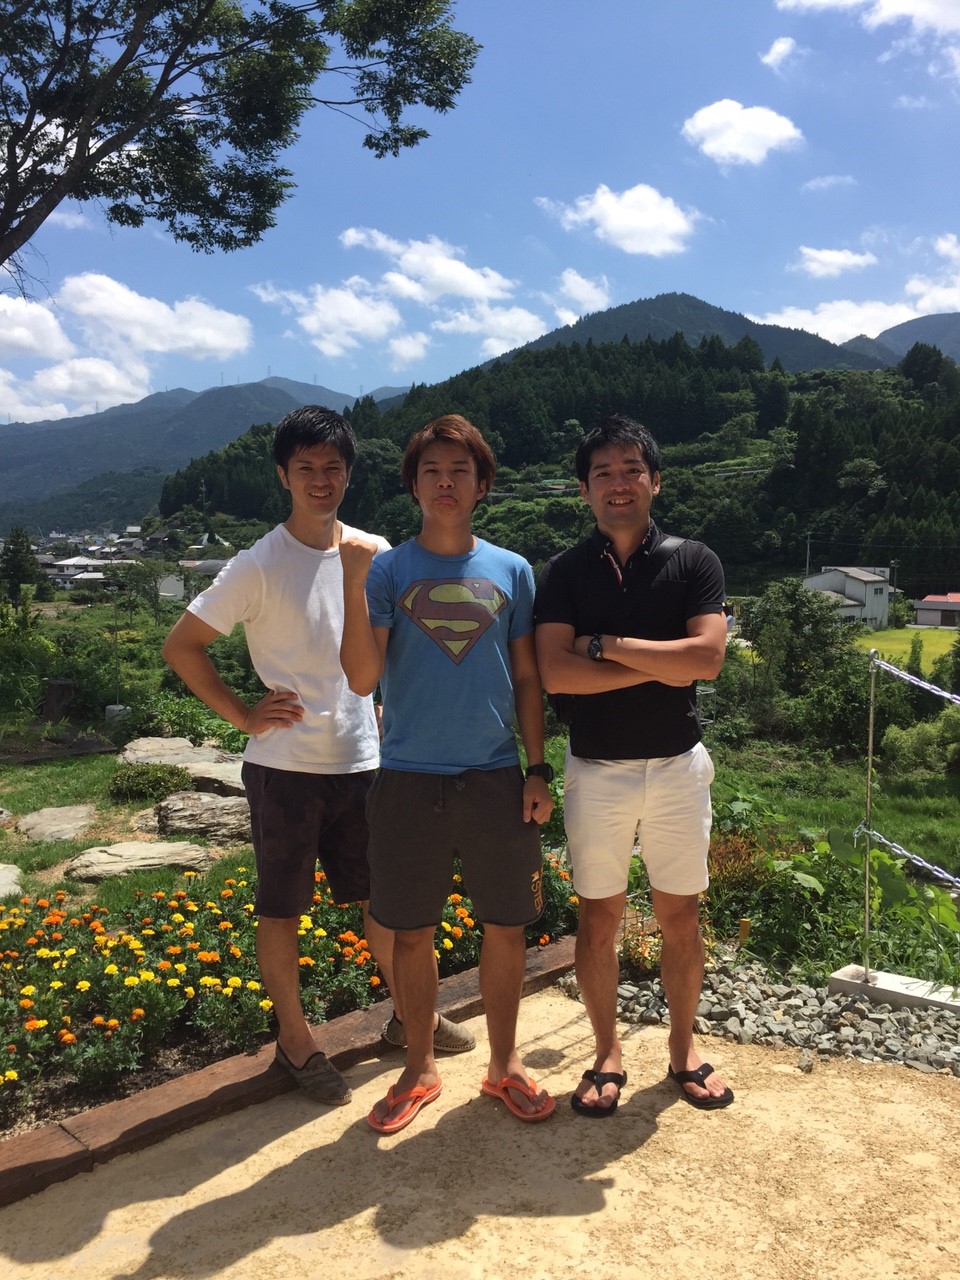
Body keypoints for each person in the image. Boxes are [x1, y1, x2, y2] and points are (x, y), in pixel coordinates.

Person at [162, 405, 474, 1108]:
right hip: (285, 769)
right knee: (282, 911)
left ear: (349, 473)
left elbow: (395, 649)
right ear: (283, 475)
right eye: (305, 467)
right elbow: (182, 646)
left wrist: (389, 709)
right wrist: (244, 715)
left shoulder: (373, 551)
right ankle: (297, 1042)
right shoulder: (258, 563)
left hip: (364, 760)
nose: (320, 479)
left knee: (385, 904)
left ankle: (410, 1017)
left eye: (332, 467)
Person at [339, 413, 556, 1134]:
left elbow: (528, 678)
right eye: (430, 470)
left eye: (460, 470)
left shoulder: (513, 570)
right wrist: (354, 582)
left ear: (482, 484)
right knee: (409, 932)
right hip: (406, 775)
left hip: (496, 774)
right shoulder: (389, 570)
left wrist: (537, 768)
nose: (445, 482)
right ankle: (419, 1067)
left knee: (506, 927)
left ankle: (504, 1064)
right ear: (413, 485)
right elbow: (362, 676)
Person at [534, 413, 733, 1114]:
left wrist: (605, 645)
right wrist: (662, 663)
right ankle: (606, 1053)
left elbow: (707, 658)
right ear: (584, 488)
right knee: (598, 919)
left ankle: (682, 1050)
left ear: (655, 480)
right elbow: (555, 674)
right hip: (596, 770)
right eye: (603, 473)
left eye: (631, 470)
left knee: (681, 916)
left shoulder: (694, 561)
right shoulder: (563, 573)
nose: (618, 484)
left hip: (678, 767)